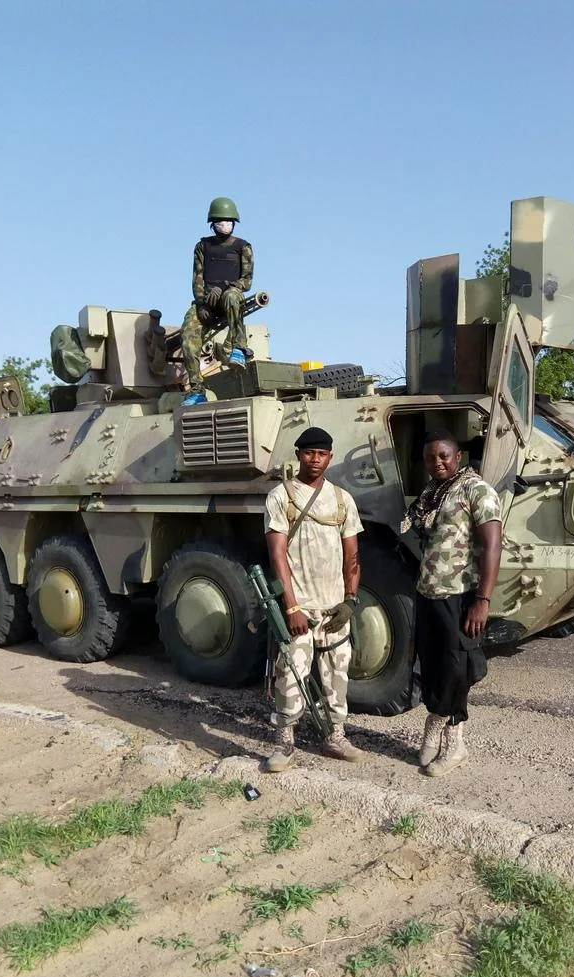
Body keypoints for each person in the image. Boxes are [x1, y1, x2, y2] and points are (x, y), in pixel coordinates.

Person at [263, 426, 365, 772]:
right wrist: (291, 606)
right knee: (290, 673)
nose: (315, 460)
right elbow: (277, 554)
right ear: (298, 455)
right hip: (301, 607)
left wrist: (350, 599)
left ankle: (336, 735)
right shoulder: (282, 496)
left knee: (337, 674)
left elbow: (352, 555)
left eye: (322, 454)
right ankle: (285, 741)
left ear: (330, 458)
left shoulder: (341, 499)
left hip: (334, 606)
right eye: (309, 453)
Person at [402, 430, 503, 776]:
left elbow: (493, 546)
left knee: (457, 667)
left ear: (457, 456)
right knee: (430, 663)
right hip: (429, 590)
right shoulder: (433, 491)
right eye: (431, 458)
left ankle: (455, 742)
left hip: (460, 594)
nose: (437, 462)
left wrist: (483, 600)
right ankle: (434, 719)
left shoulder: (477, 490)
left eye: (444, 456)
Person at [181, 196, 254, 405]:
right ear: (213, 224)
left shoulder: (243, 247)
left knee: (232, 297)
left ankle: (238, 348)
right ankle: (196, 389)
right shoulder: (202, 247)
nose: (225, 225)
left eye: (229, 221)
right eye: (221, 222)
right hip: (207, 304)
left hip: (230, 298)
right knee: (187, 336)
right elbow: (197, 278)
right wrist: (202, 305)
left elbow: (246, 281)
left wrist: (223, 286)